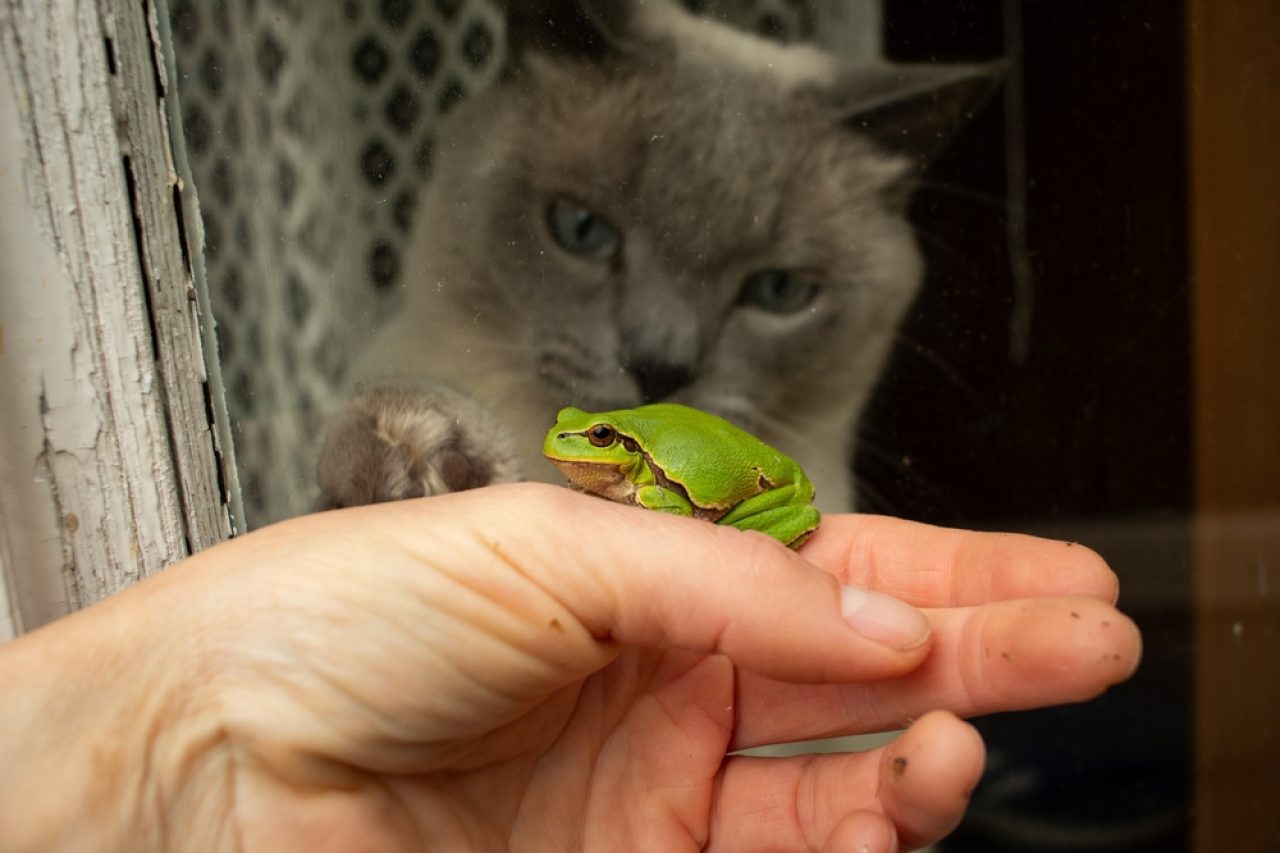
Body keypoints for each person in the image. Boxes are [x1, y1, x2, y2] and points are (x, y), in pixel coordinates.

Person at [0, 483, 1140, 852]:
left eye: (597, 447)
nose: (574, 459)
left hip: (746, 501)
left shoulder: (649, 482)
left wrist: (189, 749)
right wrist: (193, 736)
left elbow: (728, 498)